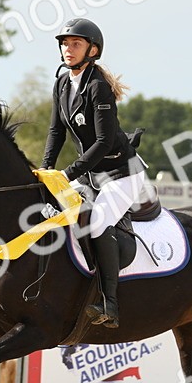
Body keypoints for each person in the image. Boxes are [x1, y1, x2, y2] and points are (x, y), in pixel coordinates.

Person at [39, 18, 146, 329]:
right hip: (90, 173)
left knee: (98, 222)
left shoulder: (98, 87)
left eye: (75, 44)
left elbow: (102, 142)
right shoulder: (62, 84)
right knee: (51, 212)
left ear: (92, 50)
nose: (68, 49)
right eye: (65, 43)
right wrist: (47, 170)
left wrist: (68, 173)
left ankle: (110, 303)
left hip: (121, 173)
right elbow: (55, 131)